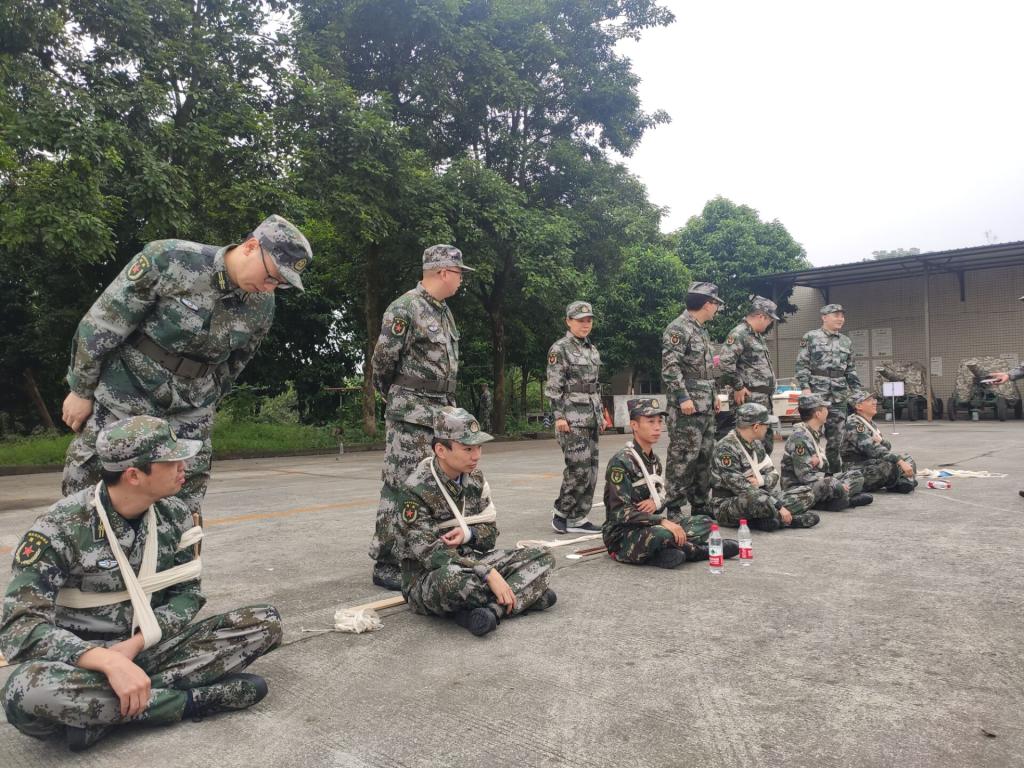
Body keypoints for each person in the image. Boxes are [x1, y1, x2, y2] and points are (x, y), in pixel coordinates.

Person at [0, 416, 282, 752]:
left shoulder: (175, 515)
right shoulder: (60, 528)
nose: (184, 467)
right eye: (171, 461)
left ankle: (102, 713)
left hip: (149, 647)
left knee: (265, 622)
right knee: (25, 691)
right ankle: (190, 701)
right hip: (82, 662)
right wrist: (106, 661)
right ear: (134, 475)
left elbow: (187, 595)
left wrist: (134, 645)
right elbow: (19, 626)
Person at [60, 215, 312, 518]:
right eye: (272, 276)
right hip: (126, 394)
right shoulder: (170, 259)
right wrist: (81, 389)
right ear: (251, 247)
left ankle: (167, 550)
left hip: (190, 410)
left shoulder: (262, 305)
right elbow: (103, 323)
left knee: (183, 505)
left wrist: (206, 402)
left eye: (281, 284)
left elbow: (236, 363)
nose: (271, 288)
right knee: (88, 486)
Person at [393, 407, 556, 637]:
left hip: (472, 561)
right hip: (429, 575)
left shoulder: (475, 479)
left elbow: (490, 533)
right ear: (441, 450)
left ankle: (493, 609)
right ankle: (524, 595)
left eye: (479, 447)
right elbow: (431, 555)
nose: (477, 455)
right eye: (468, 448)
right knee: (453, 582)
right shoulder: (415, 490)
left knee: (543, 557)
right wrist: (488, 573)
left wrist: (468, 534)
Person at [369, 244, 471, 590]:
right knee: (400, 485)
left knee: (430, 486)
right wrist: (400, 400)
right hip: (411, 415)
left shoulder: (443, 312)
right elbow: (382, 363)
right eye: (458, 272)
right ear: (443, 272)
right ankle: (387, 561)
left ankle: (419, 554)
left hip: (440, 413)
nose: (461, 279)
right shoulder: (405, 308)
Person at [602, 398, 738, 568]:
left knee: (705, 522)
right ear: (634, 425)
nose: (657, 427)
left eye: (659, 421)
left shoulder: (654, 462)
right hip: (621, 534)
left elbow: (660, 498)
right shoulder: (621, 462)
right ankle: (699, 551)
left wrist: (655, 503)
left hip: (649, 526)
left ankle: (666, 553)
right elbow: (619, 513)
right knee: (662, 534)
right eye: (650, 422)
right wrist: (661, 521)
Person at [662, 282, 723, 516]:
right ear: (707, 304)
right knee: (682, 456)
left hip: (705, 405)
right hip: (687, 407)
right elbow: (670, 367)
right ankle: (674, 506)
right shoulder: (678, 328)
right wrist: (682, 397)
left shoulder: (701, 330)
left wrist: (715, 396)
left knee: (705, 456)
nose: (717, 308)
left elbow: (706, 370)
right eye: (715, 303)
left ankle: (700, 504)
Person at [544, 301, 604, 534]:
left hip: (591, 417)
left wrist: (601, 414)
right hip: (571, 418)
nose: (585, 324)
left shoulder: (592, 349)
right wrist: (559, 417)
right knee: (578, 468)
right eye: (580, 320)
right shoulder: (559, 349)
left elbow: (595, 386)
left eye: (589, 320)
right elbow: (554, 387)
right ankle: (562, 512)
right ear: (568, 321)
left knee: (592, 470)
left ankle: (578, 517)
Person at [711, 403, 819, 531]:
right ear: (756, 427)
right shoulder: (726, 448)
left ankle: (771, 520)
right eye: (766, 425)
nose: (767, 428)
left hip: (762, 495)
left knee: (807, 493)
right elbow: (742, 488)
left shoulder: (757, 444)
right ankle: (782, 519)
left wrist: (760, 481)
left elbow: (773, 474)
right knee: (758, 500)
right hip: (729, 504)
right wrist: (779, 506)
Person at [794, 303, 861, 473]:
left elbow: (851, 370)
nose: (841, 319)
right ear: (824, 317)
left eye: (842, 316)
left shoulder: (846, 341)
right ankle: (810, 473)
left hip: (839, 395)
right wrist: (805, 388)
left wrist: (857, 393)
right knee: (811, 434)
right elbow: (802, 364)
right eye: (836, 315)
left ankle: (834, 474)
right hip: (817, 394)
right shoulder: (811, 337)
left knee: (837, 438)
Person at [781, 394, 873, 511]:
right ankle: (840, 500)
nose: (828, 411)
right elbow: (805, 476)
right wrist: (833, 482)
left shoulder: (812, 433)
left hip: (815, 482)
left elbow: (824, 467)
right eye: (825, 408)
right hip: (798, 487)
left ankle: (840, 498)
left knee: (856, 475)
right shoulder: (800, 437)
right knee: (833, 483)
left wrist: (819, 462)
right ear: (818, 414)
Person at [717, 295, 780, 450]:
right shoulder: (740, 333)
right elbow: (725, 362)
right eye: (770, 320)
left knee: (765, 444)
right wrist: (738, 386)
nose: (770, 323)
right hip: (750, 399)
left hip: (763, 399)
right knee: (750, 445)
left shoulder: (757, 336)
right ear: (761, 316)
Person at [841, 391, 917, 493]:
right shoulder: (854, 424)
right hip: (856, 468)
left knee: (907, 458)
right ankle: (902, 481)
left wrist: (881, 441)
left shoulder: (870, 424)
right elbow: (872, 449)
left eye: (874, 399)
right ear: (859, 406)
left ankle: (902, 482)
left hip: (871, 463)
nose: (874, 402)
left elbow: (887, 446)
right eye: (869, 400)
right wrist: (899, 461)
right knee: (889, 466)